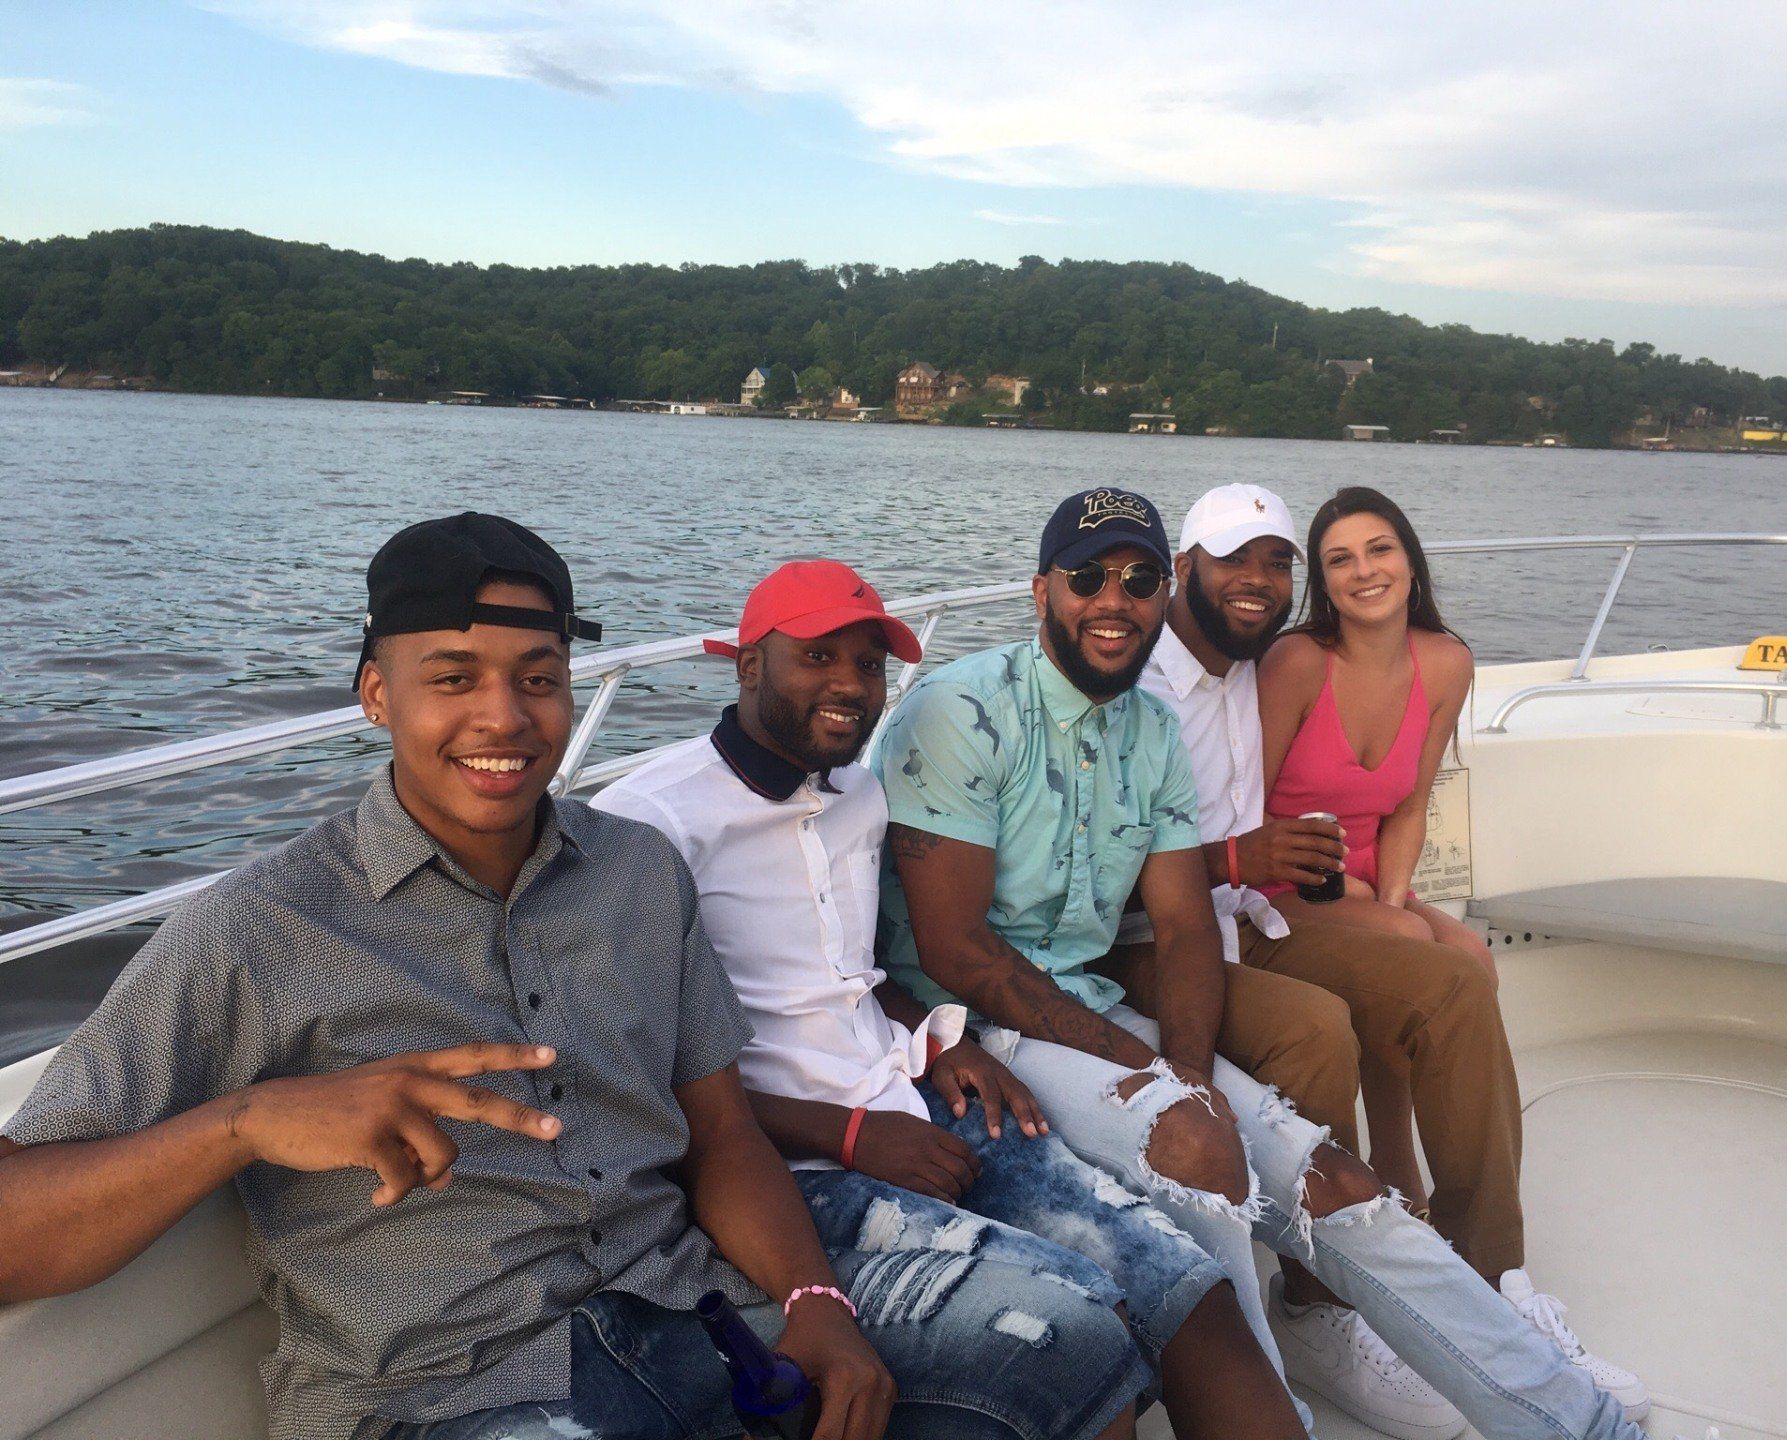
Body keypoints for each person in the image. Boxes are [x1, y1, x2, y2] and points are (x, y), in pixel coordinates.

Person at [0, 514, 1143, 1440]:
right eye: (453, 677)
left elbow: (725, 1135)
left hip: (695, 1313)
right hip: (451, 1390)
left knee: (1081, 1341)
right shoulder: (256, 931)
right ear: (376, 696)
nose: (504, 717)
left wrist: (813, 1299)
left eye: (538, 677)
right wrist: (250, 1123)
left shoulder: (639, 873)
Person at [869, 487, 1657, 1440]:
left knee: (1340, 1186)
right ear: (1042, 591)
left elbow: (1186, 923)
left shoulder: (1150, 731)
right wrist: (1150, 1074)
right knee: (1200, 1151)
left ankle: (1575, 1421)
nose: (1114, 599)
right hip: (978, 1026)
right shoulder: (963, 712)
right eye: (1089, 577)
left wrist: (1193, 1071)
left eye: (1139, 579)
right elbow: (959, 952)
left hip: (1095, 1002)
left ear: (1166, 593)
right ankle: (1270, 1413)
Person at [595, 558, 1322, 1440]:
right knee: (1088, 1323)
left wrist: (943, 1044)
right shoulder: (649, 826)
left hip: (917, 1098)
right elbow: (638, 1084)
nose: (851, 686)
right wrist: (853, 1135)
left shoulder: (857, 796)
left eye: (869, 666)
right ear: (750, 665)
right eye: (819, 657)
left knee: (1180, 1285)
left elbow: (855, 974)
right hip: (790, 1163)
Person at [1130, 483, 1646, 1426]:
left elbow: (1372, 783)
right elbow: (1097, 864)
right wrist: (1241, 858)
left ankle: (1493, 1280)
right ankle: (1322, 1301)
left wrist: (1340, 886)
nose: (1256, 582)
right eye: (1234, 560)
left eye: (1274, 563)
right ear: (1183, 569)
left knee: (1455, 977)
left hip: (1256, 915)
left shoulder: (1258, 659)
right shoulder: (1135, 678)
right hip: (1170, 931)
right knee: (1322, 1025)